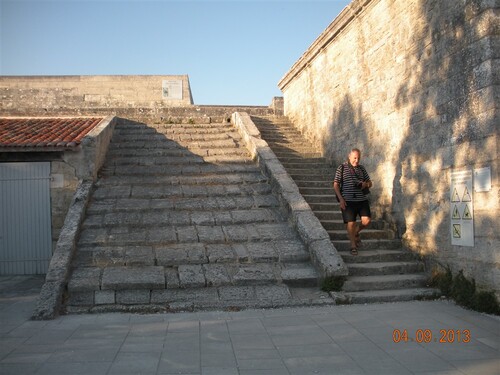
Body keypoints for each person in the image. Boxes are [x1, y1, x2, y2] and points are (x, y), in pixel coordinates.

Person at [333, 148, 372, 256]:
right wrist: (340, 198)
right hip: (348, 200)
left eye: (358, 158)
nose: (357, 160)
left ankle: (355, 233)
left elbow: (370, 182)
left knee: (367, 221)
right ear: (349, 156)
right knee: (351, 223)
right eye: (355, 158)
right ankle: (353, 245)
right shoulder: (342, 167)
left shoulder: (362, 169)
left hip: (361, 199)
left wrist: (366, 184)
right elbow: (336, 184)